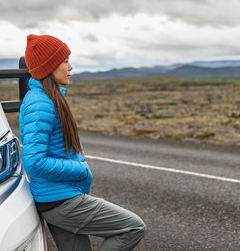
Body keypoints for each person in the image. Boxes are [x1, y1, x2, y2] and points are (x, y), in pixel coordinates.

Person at [20, 34, 146, 251]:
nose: (70, 67)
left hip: (56, 198)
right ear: (49, 66)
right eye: (65, 61)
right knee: (133, 227)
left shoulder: (48, 99)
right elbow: (34, 162)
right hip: (61, 201)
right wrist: (79, 169)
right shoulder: (41, 104)